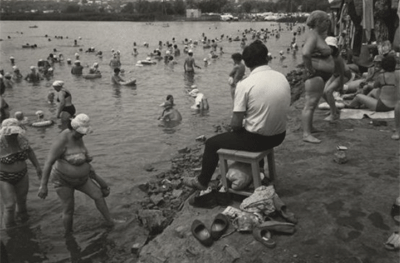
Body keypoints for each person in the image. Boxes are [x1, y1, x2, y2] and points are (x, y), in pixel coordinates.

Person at [183, 40, 290, 190]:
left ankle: (202, 181)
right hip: (279, 136)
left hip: (259, 140)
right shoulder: (281, 77)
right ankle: (257, 169)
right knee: (255, 124)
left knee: (212, 143)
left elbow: (235, 124)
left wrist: (242, 122)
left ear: (246, 63)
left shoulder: (245, 84)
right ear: (266, 58)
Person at [38, 114, 113, 234]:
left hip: (82, 178)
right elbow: (48, 162)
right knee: (68, 209)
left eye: (84, 132)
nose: (83, 134)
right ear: (73, 128)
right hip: (63, 180)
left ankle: (110, 222)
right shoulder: (62, 139)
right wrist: (43, 186)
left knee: (98, 195)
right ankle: (68, 235)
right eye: (81, 132)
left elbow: (79, 153)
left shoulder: (79, 136)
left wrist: (87, 159)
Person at [0, 118, 42, 228]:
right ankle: (9, 230)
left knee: (22, 202)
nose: (14, 135)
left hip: (22, 175)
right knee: (9, 206)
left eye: (15, 132)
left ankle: (24, 227)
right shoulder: (0, 141)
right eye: (11, 133)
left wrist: (37, 167)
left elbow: (29, 151)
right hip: (4, 177)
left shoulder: (21, 138)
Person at [301, 10, 335, 144]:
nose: (328, 22)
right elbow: (305, 53)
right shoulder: (313, 36)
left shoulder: (316, 35)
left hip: (319, 74)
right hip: (315, 75)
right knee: (310, 104)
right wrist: (310, 69)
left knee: (313, 104)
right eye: (326, 20)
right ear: (319, 22)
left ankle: (310, 128)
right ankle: (306, 134)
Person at [322, 36, 353, 121]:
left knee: (328, 92)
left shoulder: (337, 58)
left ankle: (334, 114)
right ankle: (334, 109)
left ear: (334, 48)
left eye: (330, 47)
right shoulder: (327, 56)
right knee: (323, 92)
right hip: (336, 74)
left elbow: (342, 73)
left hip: (344, 75)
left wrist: (341, 86)